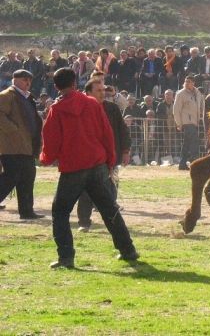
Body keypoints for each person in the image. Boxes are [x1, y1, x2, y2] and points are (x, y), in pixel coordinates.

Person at [40, 68, 139, 268]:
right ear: (75, 83)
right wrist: (110, 161)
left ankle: (66, 257)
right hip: (97, 164)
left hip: (73, 167)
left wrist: (46, 159)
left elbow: (51, 141)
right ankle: (128, 250)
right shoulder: (92, 104)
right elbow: (106, 134)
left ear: (56, 87)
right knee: (109, 209)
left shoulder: (57, 110)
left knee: (60, 212)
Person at [77, 79, 131, 232]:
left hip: (109, 157)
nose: (103, 93)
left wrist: (125, 151)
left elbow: (123, 130)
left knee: (110, 191)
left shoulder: (112, 108)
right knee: (86, 191)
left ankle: (112, 223)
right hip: (88, 157)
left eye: (103, 90)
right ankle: (84, 222)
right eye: (98, 90)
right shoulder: (80, 108)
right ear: (88, 93)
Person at [0, 70, 45, 219]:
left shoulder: (27, 97)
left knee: (27, 177)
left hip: (26, 145)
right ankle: (26, 211)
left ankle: (27, 212)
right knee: (11, 177)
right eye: (25, 79)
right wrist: (14, 130)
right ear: (15, 80)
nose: (28, 83)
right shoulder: (6, 95)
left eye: (29, 80)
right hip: (12, 146)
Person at [173, 75, 204, 170]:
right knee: (194, 142)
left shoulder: (198, 93)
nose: (187, 83)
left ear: (193, 83)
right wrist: (179, 123)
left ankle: (182, 164)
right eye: (186, 81)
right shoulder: (180, 94)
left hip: (195, 121)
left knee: (187, 143)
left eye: (189, 81)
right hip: (187, 121)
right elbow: (176, 109)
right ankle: (195, 162)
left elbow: (201, 105)